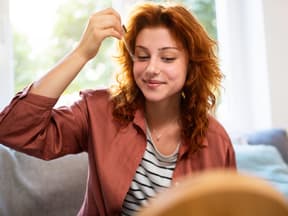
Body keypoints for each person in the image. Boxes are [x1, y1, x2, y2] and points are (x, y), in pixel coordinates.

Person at [0, 2, 236, 216]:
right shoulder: (98, 110)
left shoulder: (216, 140)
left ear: (191, 66)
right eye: (142, 56)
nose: (152, 68)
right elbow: (13, 129)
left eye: (167, 58)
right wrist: (82, 52)